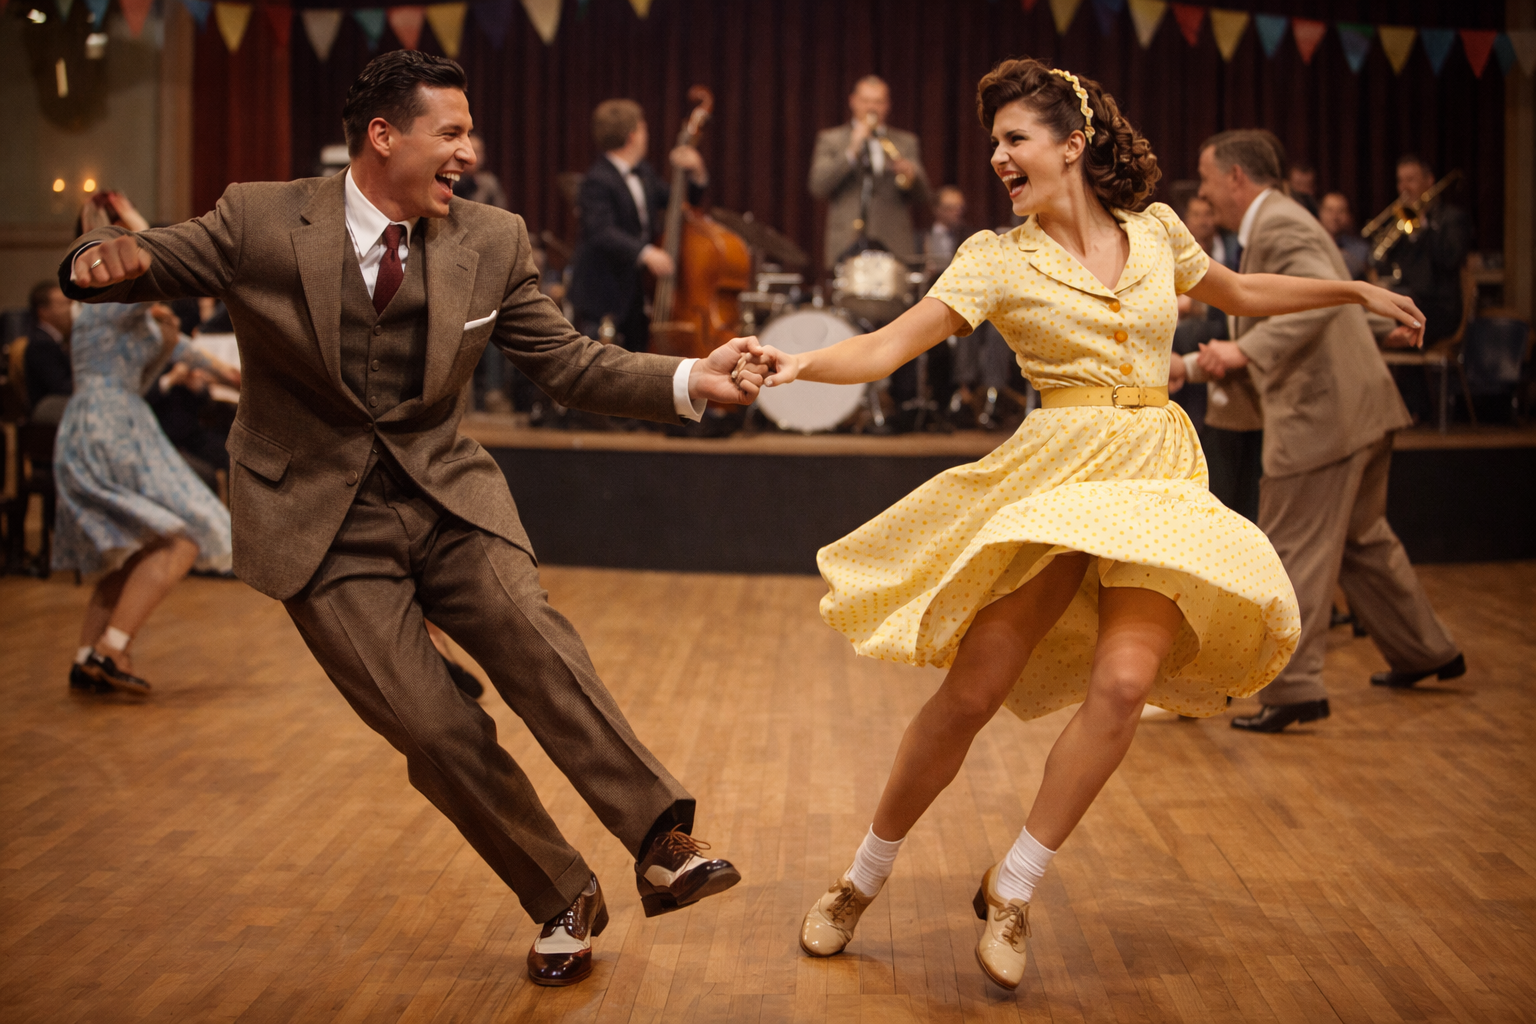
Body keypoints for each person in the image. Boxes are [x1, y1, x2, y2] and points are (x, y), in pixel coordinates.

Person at [61, 52, 763, 987]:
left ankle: (661, 842)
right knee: (434, 730)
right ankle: (560, 893)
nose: (469, 151)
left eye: (469, 132)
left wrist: (689, 380)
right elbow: (147, 260)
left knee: (539, 649)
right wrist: (98, 261)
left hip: (446, 498)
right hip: (317, 520)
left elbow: (569, 361)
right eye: (453, 132)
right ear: (384, 137)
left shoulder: (492, 239)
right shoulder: (262, 218)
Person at [757, 59, 1421, 990]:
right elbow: (887, 344)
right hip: (1059, 476)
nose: (997, 157)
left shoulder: (1156, 232)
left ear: (1072, 145)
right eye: (994, 143)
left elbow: (1238, 292)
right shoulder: (995, 256)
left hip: (1154, 474)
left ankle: (1017, 885)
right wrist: (795, 366)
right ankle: (861, 878)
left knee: (1122, 687)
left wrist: (1351, 292)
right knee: (974, 692)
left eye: (1014, 139)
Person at [1180, 129, 1463, 734]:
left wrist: (1244, 353)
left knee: (1291, 552)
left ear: (1236, 177)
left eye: (1207, 179)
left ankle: (1294, 689)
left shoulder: (1279, 224)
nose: (1203, 192)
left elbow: (1311, 303)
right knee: (1364, 544)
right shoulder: (1283, 221)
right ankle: (1428, 652)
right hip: (1355, 410)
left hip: (1322, 418)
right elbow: (1321, 295)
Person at [54, 194, 240, 696]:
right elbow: (166, 266)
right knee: (185, 537)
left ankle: (88, 657)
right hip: (111, 427)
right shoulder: (105, 298)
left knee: (135, 548)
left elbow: (213, 365)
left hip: (95, 425)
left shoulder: (150, 323)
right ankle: (113, 649)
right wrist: (123, 220)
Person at [567, 98, 708, 353]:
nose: (647, 135)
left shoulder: (643, 172)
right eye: (644, 129)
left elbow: (680, 205)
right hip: (604, 292)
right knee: (600, 361)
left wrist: (695, 171)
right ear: (633, 135)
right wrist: (646, 252)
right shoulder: (597, 180)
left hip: (634, 291)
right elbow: (601, 231)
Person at [1174, 192, 1262, 522]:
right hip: (1198, 347)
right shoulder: (1168, 247)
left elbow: (1238, 297)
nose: (1204, 220)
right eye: (1196, 214)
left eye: (1208, 213)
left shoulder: (1235, 248)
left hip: (1223, 344)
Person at [808, 75, 930, 269]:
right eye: (865, 101)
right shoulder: (831, 139)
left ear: (887, 105)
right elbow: (818, 186)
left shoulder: (906, 142)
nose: (871, 108)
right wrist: (851, 151)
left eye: (878, 102)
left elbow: (924, 196)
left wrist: (910, 175)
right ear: (853, 101)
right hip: (847, 240)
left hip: (893, 241)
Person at [1376, 154, 1470, 345]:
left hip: (1440, 308)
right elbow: (1384, 261)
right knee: (1373, 302)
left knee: (1376, 315)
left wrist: (1423, 224)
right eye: (1400, 181)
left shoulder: (1452, 218)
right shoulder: (1401, 222)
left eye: (1411, 180)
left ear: (1429, 181)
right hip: (1410, 299)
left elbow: (1450, 259)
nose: (1404, 188)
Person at [22, 281, 75, 418]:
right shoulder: (41, 343)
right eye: (65, 304)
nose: (71, 309)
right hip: (50, 409)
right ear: (43, 311)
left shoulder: (52, 339)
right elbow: (60, 386)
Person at [1318, 191, 1371, 281]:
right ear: (1320, 213)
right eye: (1329, 210)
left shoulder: (1361, 249)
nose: (1335, 217)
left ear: (1349, 216)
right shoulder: (1311, 245)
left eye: (1341, 211)